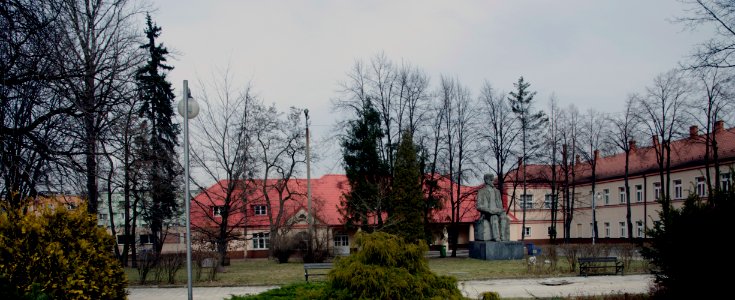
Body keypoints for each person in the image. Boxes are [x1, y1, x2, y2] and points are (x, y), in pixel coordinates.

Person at [476, 173, 510, 241]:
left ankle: (503, 237)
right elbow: (479, 206)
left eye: (493, 180)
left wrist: (501, 210)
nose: (493, 182)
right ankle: (496, 237)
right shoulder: (481, 191)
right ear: (486, 180)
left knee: (504, 217)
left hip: (497, 211)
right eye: (491, 180)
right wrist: (489, 210)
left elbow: (500, 204)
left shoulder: (497, 191)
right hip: (487, 213)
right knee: (494, 217)